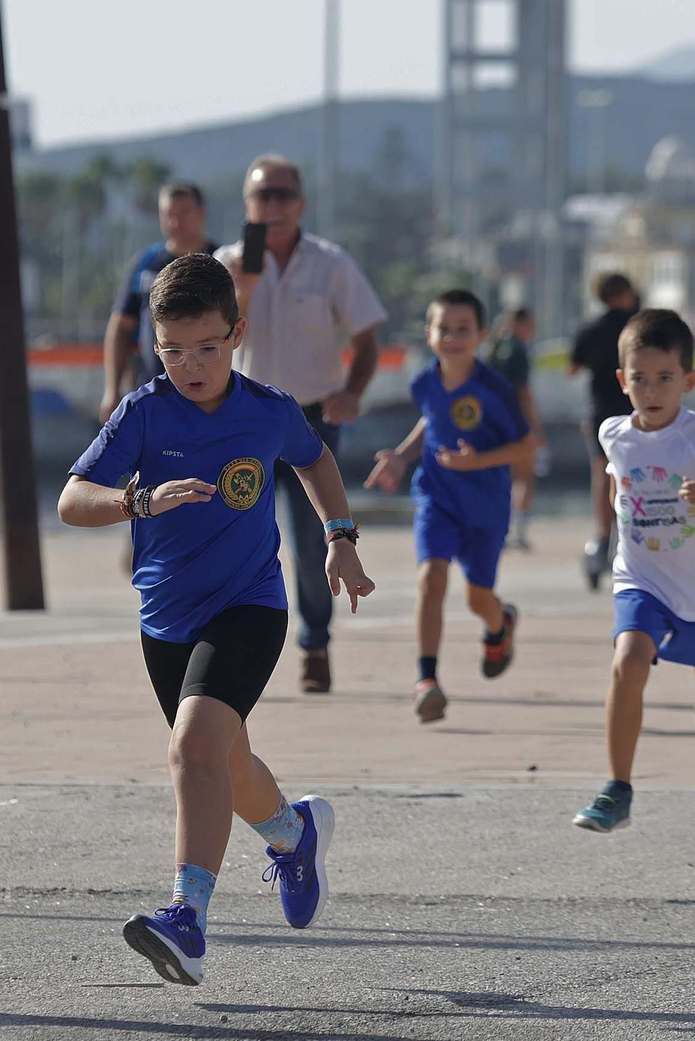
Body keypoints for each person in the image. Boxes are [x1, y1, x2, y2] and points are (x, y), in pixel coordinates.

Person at [58, 253, 374, 985]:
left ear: (236, 332)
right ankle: (293, 836)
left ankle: (187, 918)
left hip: (249, 606)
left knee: (193, 746)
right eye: (171, 350)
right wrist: (135, 501)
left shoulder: (268, 408)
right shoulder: (143, 413)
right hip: (165, 618)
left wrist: (340, 538)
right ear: (155, 345)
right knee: (224, 761)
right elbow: (73, 499)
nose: (189, 365)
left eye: (205, 347)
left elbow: (315, 460)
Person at [572, 309, 695, 833]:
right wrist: (607, 541)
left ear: (688, 381)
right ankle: (617, 788)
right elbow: (615, 487)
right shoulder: (614, 434)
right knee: (627, 663)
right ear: (623, 380)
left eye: (665, 379)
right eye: (641, 379)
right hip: (640, 579)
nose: (652, 390)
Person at [216, 154, 386, 693]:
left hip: (311, 421)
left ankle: (314, 643)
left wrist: (353, 392)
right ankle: (233, 648)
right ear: (247, 204)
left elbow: (366, 337)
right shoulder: (225, 263)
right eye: (263, 196)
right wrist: (241, 287)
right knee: (238, 536)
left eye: (283, 195)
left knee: (317, 541)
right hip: (244, 421)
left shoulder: (331, 265)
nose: (273, 206)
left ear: (302, 203)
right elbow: (215, 340)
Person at [364, 290, 532, 723]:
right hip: (437, 496)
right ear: (429, 333)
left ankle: (499, 625)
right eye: (444, 328)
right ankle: (427, 680)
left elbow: (526, 444)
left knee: (479, 599)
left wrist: (478, 461)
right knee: (430, 578)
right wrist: (401, 456)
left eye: (463, 329)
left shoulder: (494, 387)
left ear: (479, 334)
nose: (453, 337)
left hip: (486, 506)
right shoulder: (423, 381)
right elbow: (432, 421)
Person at [99, 182, 219, 422]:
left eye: (184, 212)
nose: (176, 221)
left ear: (202, 214)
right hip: (154, 394)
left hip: (210, 396)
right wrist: (112, 390)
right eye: (169, 214)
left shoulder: (220, 260)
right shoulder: (146, 263)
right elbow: (121, 327)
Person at [569, 273, 640, 589]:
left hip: (600, 411)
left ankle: (602, 538)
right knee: (639, 472)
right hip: (637, 408)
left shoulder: (590, 329)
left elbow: (572, 368)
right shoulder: (638, 327)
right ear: (624, 293)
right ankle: (637, 530)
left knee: (603, 475)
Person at [491, 307, 545, 548]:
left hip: (493, 421)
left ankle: (497, 527)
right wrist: (535, 425)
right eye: (530, 326)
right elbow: (524, 392)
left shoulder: (493, 349)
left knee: (501, 476)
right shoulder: (517, 352)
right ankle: (518, 531)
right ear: (520, 324)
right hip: (516, 420)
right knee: (525, 475)